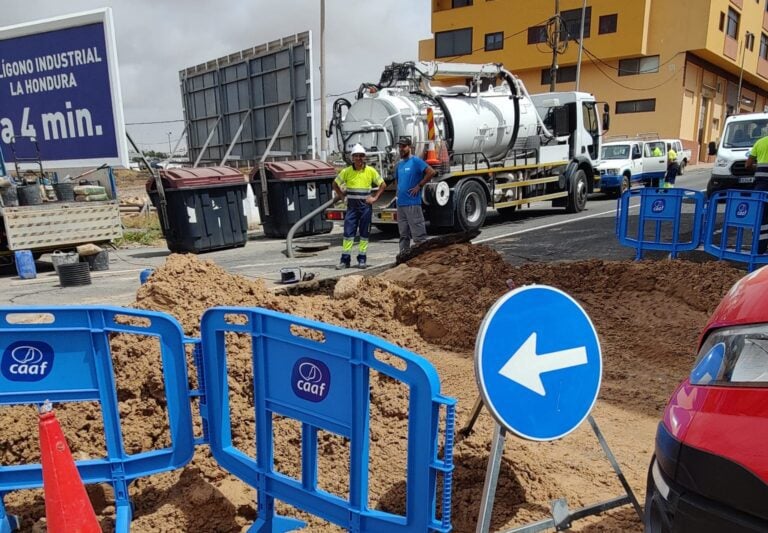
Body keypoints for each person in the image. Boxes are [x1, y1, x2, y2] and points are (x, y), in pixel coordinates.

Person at [332, 143, 386, 269]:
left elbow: (382, 185)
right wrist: (341, 195)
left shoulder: (370, 171)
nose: (359, 158)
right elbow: (335, 184)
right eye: (356, 156)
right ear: (352, 158)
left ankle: (362, 259)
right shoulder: (347, 172)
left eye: (361, 156)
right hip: (352, 208)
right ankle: (345, 260)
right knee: (348, 234)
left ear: (364, 157)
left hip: (365, 208)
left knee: (364, 234)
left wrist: (375, 198)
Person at [393, 136, 436, 255]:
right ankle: (404, 255)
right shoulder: (399, 165)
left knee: (418, 234)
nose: (401, 149)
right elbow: (397, 180)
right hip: (401, 204)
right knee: (403, 234)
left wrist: (419, 185)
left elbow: (431, 172)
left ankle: (423, 257)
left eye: (404, 146)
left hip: (412, 203)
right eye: (400, 147)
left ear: (410, 147)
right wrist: (398, 191)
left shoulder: (416, 161)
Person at [745, 134, 768, 252]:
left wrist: (759, 168)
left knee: (760, 216)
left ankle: (759, 248)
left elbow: (748, 164)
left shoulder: (760, 142)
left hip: (761, 186)